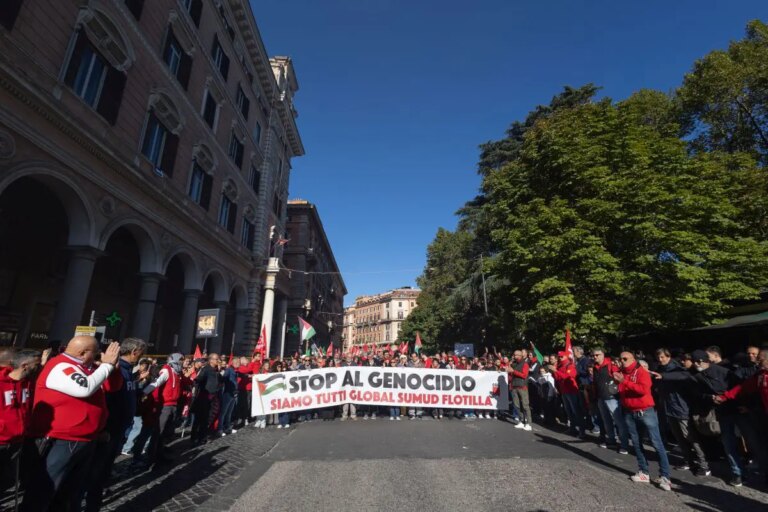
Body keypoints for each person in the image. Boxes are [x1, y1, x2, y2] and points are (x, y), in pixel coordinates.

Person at [21, 337, 121, 511]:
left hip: (84, 438)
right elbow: (85, 387)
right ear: (82, 353)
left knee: (68, 491)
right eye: (95, 352)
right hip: (63, 439)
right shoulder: (61, 365)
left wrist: (113, 368)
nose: (99, 355)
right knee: (45, 489)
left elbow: (112, 387)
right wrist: (106, 366)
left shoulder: (86, 368)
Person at [83, 337, 147, 511]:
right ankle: (91, 502)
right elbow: (107, 399)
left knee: (105, 466)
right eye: (141, 353)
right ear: (134, 352)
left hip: (120, 427)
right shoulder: (117, 369)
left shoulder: (128, 371)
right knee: (98, 469)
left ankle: (96, 495)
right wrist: (104, 428)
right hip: (110, 428)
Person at [614, 351, 671, 491]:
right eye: (620, 359)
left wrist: (624, 382)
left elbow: (643, 390)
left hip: (645, 411)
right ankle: (644, 472)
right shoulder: (621, 372)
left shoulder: (641, 372)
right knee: (637, 443)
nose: (622, 361)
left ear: (633, 359)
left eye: (625, 358)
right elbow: (621, 390)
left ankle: (665, 476)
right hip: (630, 411)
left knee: (656, 443)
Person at [651, 348, 709, 476]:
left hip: (681, 407)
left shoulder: (675, 367)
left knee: (690, 437)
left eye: (663, 357)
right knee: (679, 438)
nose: (661, 360)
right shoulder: (660, 369)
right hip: (669, 407)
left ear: (668, 356)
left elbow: (683, 375)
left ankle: (703, 464)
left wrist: (663, 377)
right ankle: (689, 460)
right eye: (658, 358)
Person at [0, 349, 41, 507]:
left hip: (18, 439)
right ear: (25, 365)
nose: (39, 368)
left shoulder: (28, 383)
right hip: (1, 439)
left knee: (9, 478)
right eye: (36, 365)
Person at [591, 348, 629, 454]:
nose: (595, 357)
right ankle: (611, 440)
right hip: (601, 397)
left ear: (603, 355)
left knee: (618, 421)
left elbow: (619, 379)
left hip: (612, 398)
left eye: (597, 355)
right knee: (606, 421)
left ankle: (624, 445)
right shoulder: (595, 367)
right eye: (593, 355)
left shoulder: (611, 365)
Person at [549, 351, 584, 437]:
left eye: (562, 357)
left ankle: (582, 430)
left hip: (571, 391)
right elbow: (557, 378)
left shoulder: (570, 365)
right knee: (569, 411)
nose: (560, 358)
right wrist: (554, 372)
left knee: (576, 411)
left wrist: (556, 370)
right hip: (564, 391)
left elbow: (568, 376)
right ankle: (573, 428)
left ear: (566, 357)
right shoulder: (560, 366)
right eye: (559, 357)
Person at [190, 353, 222, 445]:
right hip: (203, 398)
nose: (218, 361)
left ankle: (202, 437)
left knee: (206, 419)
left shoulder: (215, 370)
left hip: (211, 397)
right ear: (211, 360)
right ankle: (194, 438)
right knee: (199, 419)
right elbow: (198, 380)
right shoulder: (206, 369)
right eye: (216, 359)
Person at [508, 350, 532, 431]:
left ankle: (528, 423)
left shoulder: (525, 364)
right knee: (517, 405)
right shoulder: (514, 364)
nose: (515, 356)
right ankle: (521, 421)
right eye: (514, 355)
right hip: (514, 386)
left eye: (516, 355)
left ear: (521, 355)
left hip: (522, 387)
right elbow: (512, 375)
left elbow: (524, 375)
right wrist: (510, 372)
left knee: (525, 405)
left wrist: (513, 371)